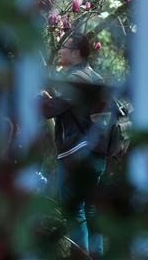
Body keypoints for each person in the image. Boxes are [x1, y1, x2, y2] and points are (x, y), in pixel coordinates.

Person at [41, 32, 106, 257]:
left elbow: (49, 109)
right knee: (91, 209)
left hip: (76, 156)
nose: (60, 50)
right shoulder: (94, 77)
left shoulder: (75, 79)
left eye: (65, 47)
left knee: (74, 211)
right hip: (99, 155)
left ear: (77, 53)